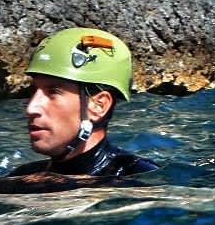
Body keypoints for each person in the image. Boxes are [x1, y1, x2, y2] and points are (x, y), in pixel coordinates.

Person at [8, 27, 159, 176]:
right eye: (33, 91)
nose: (31, 108)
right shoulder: (23, 176)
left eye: (53, 92)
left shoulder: (140, 178)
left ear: (99, 105)